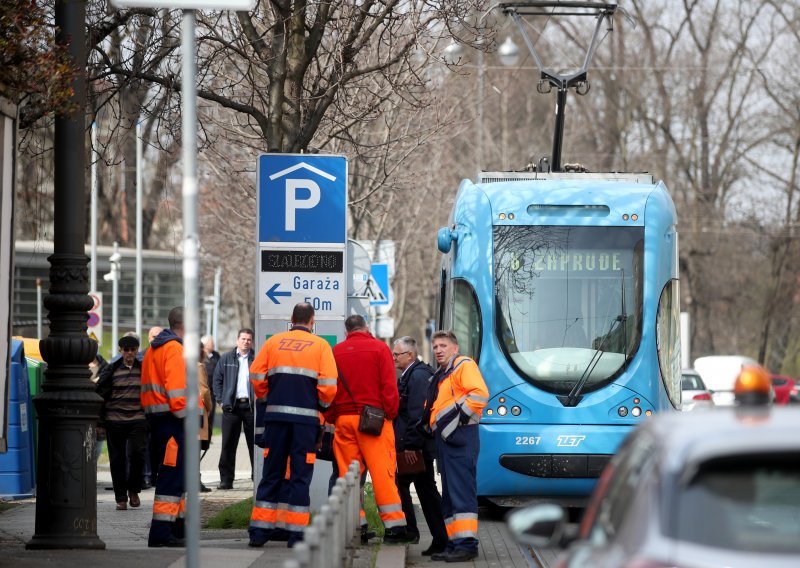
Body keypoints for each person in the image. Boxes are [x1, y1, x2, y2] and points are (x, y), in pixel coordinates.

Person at [247, 302, 337, 548]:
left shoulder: (274, 342)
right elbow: (329, 387)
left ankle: (259, 532)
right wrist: (320, 405)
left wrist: (267, 397)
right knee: (300, 476)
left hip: (275, 419)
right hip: (305, 423)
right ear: (312, 321)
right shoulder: (321, 346)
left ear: (291, 318)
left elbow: (255, 375)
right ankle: (296, 534)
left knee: (271, 474)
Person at [328, 315, 413, 544]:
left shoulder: (336, 351)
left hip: (344, 421)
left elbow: (329, 388)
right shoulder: (379, 348)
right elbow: (388, 386)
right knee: (382, 475)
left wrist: (333, 416)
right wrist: (390, 414)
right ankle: (394, 527)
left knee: (348, 477)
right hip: (374, 422)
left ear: (347, 332)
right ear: (366, 328)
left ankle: (357, 526)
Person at [426, 330, 489, 562]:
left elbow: (480, 395)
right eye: (435, 347)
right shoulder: (444, 373)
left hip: (460, 437)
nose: (438, 350)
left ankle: (467, 544)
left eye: (443, 346)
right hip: (448, 440)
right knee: (450, 496)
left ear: (455, 348)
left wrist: (453, 422)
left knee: (461, 493)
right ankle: (454, 543)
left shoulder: (464, 365)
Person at [141, 307, 197, 548]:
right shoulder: (175, 349)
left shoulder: (154, 349)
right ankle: (162, 532)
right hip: (174, 422)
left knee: (177, 478)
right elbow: (177, 394)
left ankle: (177, 528)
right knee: (171, 479)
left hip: (159, 420)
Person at [392, 336, 448, 555]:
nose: (394, 357)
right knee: (424, 490)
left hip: (416, 447)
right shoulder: (413, 374)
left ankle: (414, 531)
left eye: (397, 354)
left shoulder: (417, 376)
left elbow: (417, 414)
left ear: (410, 355)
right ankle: (439, 538)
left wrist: (410, 446)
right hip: (416, 444)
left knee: (412, 487)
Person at [96, 334, 147, 511]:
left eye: (133, 350)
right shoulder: (112, 369)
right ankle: (120, 497)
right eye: (126, 350)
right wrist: (100, 422)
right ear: (121, 351)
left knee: (137, 455)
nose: (130, 353)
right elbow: (100, 394)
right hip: (114, 420)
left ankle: (133, 490)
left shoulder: (144, 369)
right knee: (117, 459)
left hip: (138, 420)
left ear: (137, 350)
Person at [212, 328, 256, 489]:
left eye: (249, 340)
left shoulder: (256, 358)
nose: (246, 342)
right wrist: (221, 401)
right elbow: (217, 380)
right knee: (228, 444)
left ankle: (256, 478)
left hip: (251, 409)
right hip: (232, 407)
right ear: (237, 340)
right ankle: (226, 479)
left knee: (254, 444)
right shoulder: (226, 358)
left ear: (252, 342)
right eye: (243, 339)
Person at [142, 325, 163, 489]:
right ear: (148, 338)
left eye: (159, 336)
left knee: (160, 446)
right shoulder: (141, 357)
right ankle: (148, 476)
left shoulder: (166, 355)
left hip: (162, 410)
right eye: (153, 336)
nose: (155, 339)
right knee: (147, 446)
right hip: (145, 410)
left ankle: (157, 476)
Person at [201, 335, 221, 432]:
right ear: (205, 344)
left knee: (211, 415)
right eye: (211, 342)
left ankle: (208, 438)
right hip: (201, 392)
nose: (213, 344)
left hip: (212, 392)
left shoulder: (216, 356)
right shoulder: (200, 355)